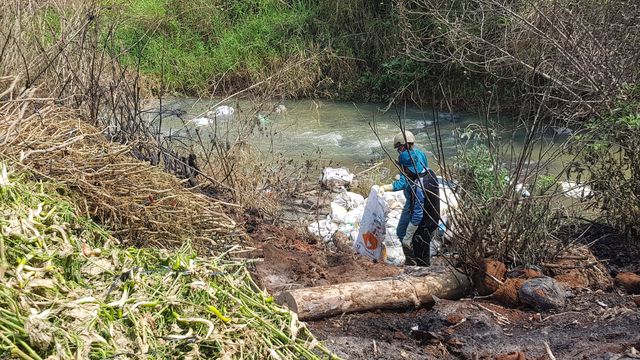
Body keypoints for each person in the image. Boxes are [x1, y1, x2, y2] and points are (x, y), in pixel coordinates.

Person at [380, 131, 440, 266]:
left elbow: (417, 213)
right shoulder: (427, 170)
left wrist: (408, 235)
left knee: (413, 238)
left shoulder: (417, 185)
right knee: (413, 236)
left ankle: (416, 265)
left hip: (420, 209)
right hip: (431, 213)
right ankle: (414, 261)